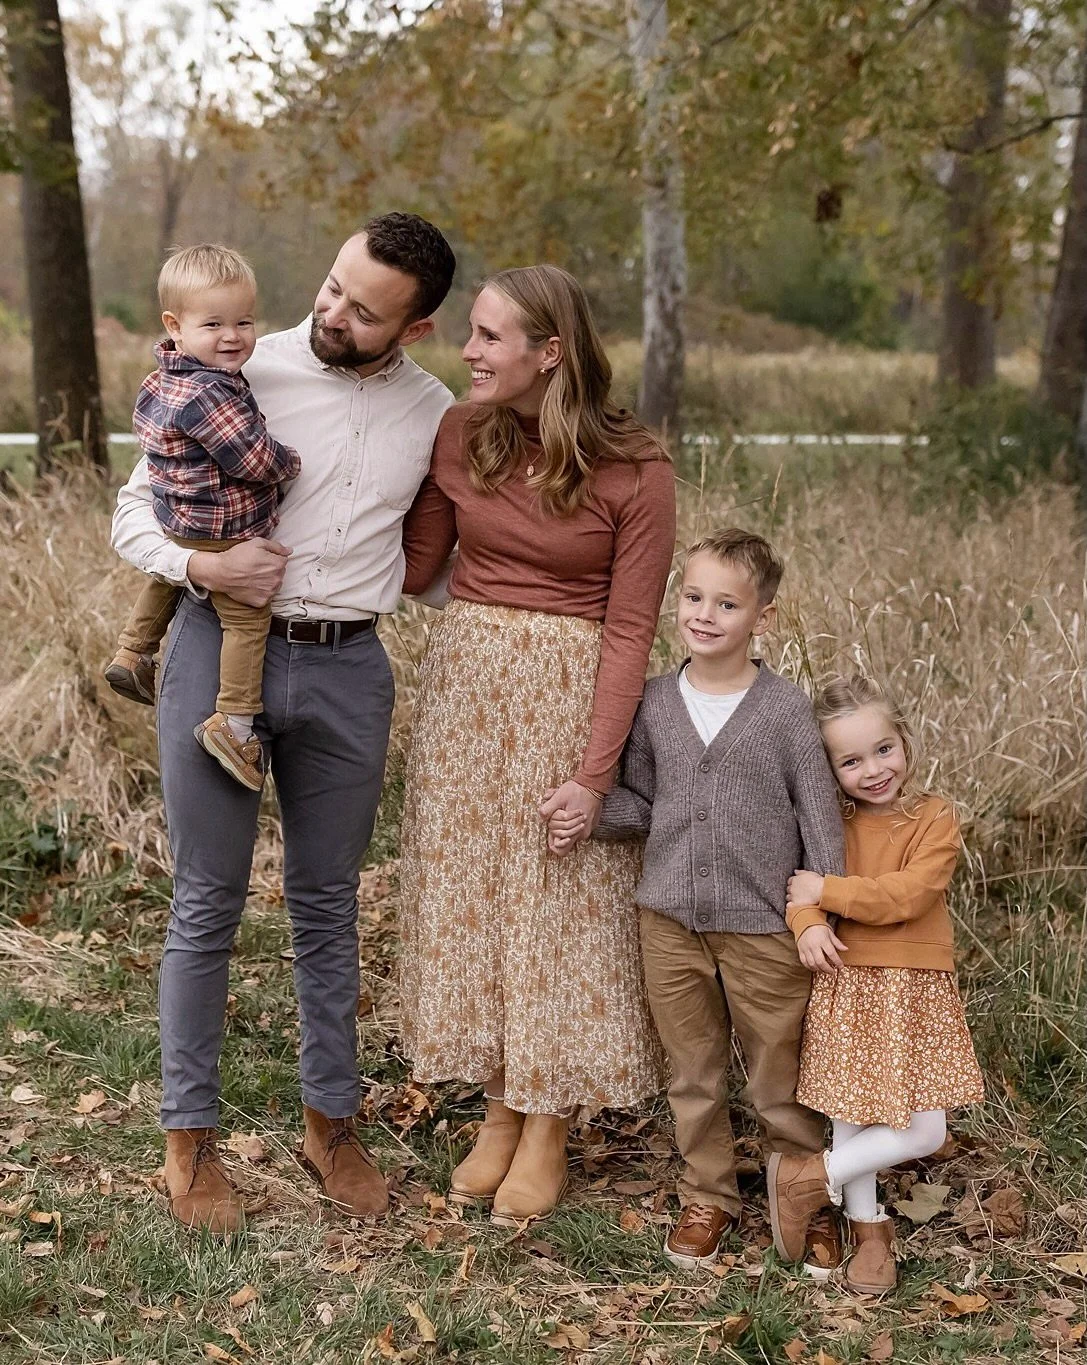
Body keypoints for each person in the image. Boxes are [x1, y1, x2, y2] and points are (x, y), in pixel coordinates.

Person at [109, 214, 457, 1234]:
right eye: (334, 285)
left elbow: (439, 559)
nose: (333, 312)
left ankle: (330, 1123)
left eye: (365, 310)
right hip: (221, 651)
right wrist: (200, 563)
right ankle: (189, 1139)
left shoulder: (433, 412)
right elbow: (134, 514)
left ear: (417, 328)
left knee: (327, 905)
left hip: (351, 670)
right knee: (206, 903)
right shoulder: (233, 366)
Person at [396, 264, 676, 1226]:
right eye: (470, 331)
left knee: (557, 904)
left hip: (569, 693)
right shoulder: (460, 432)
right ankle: (498, 1109)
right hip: (467, 691)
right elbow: (418, 567)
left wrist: (594, 774)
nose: (467, 350)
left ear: (549, 352)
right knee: (476, 896)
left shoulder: (635, 468)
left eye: (487, 336)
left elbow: (631, 629)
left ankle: (547, 1119)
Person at [569, 529, 845, 1271]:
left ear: (763, 617)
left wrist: (820, 909)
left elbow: (820, 818)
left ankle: (804, 1192)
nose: (704, 614)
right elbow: (644, 802)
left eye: (727, 603)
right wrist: (588, 814)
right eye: (693, 597)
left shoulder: (784, 710)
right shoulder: (656, 703)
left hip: (765, 927)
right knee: (692, 1071)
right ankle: (708, 1195)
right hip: (668, 921)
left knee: (780, 1073)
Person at [769, 674, 983, 1296]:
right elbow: (798, 887)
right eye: (851, 761)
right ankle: (868, 1229)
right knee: (851, 1115)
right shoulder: (828, 821)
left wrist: (827, 892)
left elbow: (909, 895)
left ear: (905, 742)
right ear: (830, 769)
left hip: (915, 985)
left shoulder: (933, 816)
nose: (873, 771)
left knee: (926, 1128)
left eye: (883, 750)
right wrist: (808, 923)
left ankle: (809, 1178)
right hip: (846, 977)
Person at [105, 244, 301, 791]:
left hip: (179, 517)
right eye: (213, 324)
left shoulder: (160, 379)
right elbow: (252, 458)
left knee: (167, 578)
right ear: (175, 325)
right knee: (247, 619)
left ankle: (133, 651)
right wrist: (290, 462)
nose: (232, 336)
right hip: (222, 527)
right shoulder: (212, 391)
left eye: (244, 322)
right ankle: (234, 723)